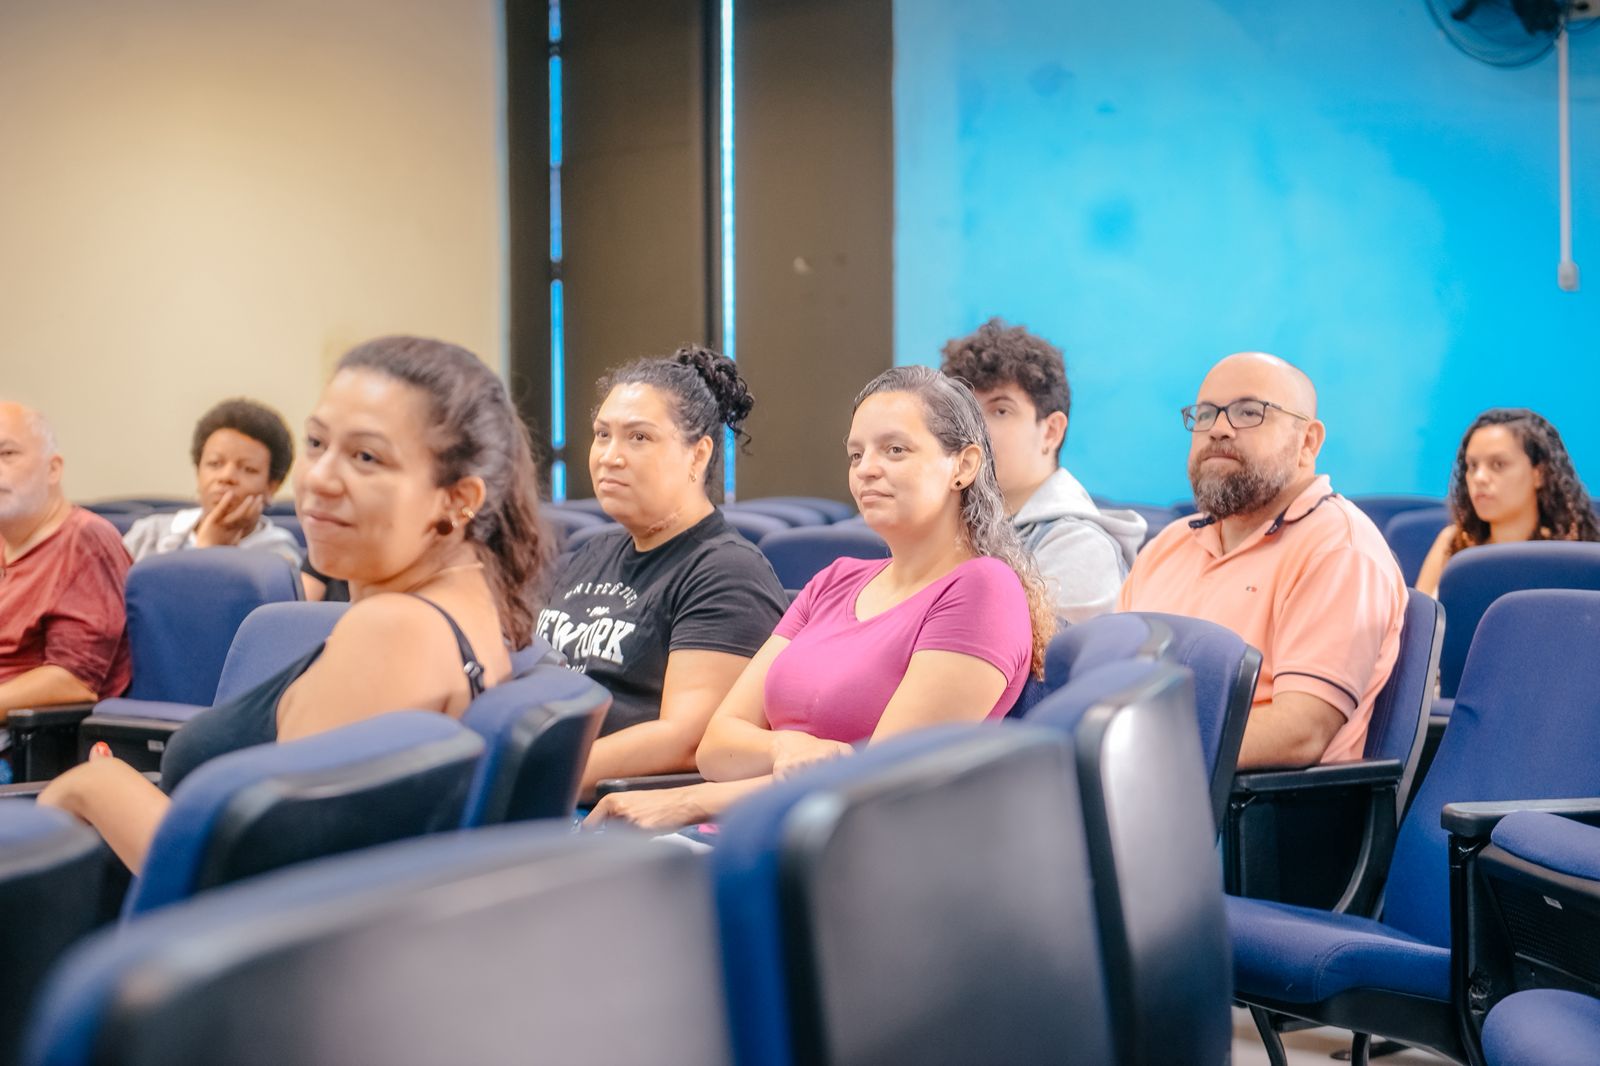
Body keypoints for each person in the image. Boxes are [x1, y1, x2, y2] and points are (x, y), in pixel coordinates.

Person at [39, 335, 546, 872]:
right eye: (317, 443)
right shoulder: (468, 599)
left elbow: (258, 886)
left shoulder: (394, 630)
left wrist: (98, 786)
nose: (320, 479)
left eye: (366, 457)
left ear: (458, 499)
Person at [585, 365, 1048, 830]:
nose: (867, 468)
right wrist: (784, 748)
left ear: (963, 466)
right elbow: (716, 748)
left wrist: (691, 802)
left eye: (895, 450)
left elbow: (882, 778)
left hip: (837, 857)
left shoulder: (982, 589)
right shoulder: (835, 581)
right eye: (855, 454)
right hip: (742, 836)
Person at [1117, 352, 1404, 770]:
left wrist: (1140, 752)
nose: (1218, 429)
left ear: (1308, 442)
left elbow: (1300, 731)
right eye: (1205, 414)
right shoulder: (1169, 545)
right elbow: (1107, 682)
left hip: (1254, 817)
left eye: (1248, 412)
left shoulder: (1338, 547)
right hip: (1144, 792)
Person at [536, 346, 788, 797]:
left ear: (698, 455)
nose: (610, 456)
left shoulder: (726, 572)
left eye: (639, 438)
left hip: (604, 808)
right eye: (602, 434)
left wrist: (532, 780)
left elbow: (686, 739)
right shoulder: (596, 551)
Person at [940, 318, 1145, 622]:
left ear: (1051, 431)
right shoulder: (948, 525)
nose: (974, 429)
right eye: (966, 411)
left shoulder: (1081, 547)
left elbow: (1039, 667)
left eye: (1000, 410)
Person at [0, 402, 132, 725]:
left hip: (28, 745)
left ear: (53, 469)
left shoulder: (86, 541)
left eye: (7, 454)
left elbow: (73, 681)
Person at [1415, 408, 1599, 596]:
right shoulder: (1452, 542)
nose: (1479, 478)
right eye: (1472, 466)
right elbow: (1423, 623)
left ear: (1540, 474)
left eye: (1498, 464)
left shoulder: (1573, 552)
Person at [122, 399, 301, 566]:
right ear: (198, 471)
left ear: (272, 486)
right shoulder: (149, 533)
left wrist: (210, 547)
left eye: (248, 469)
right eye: (214, 464)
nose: (226, 477)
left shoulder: (278, 554)